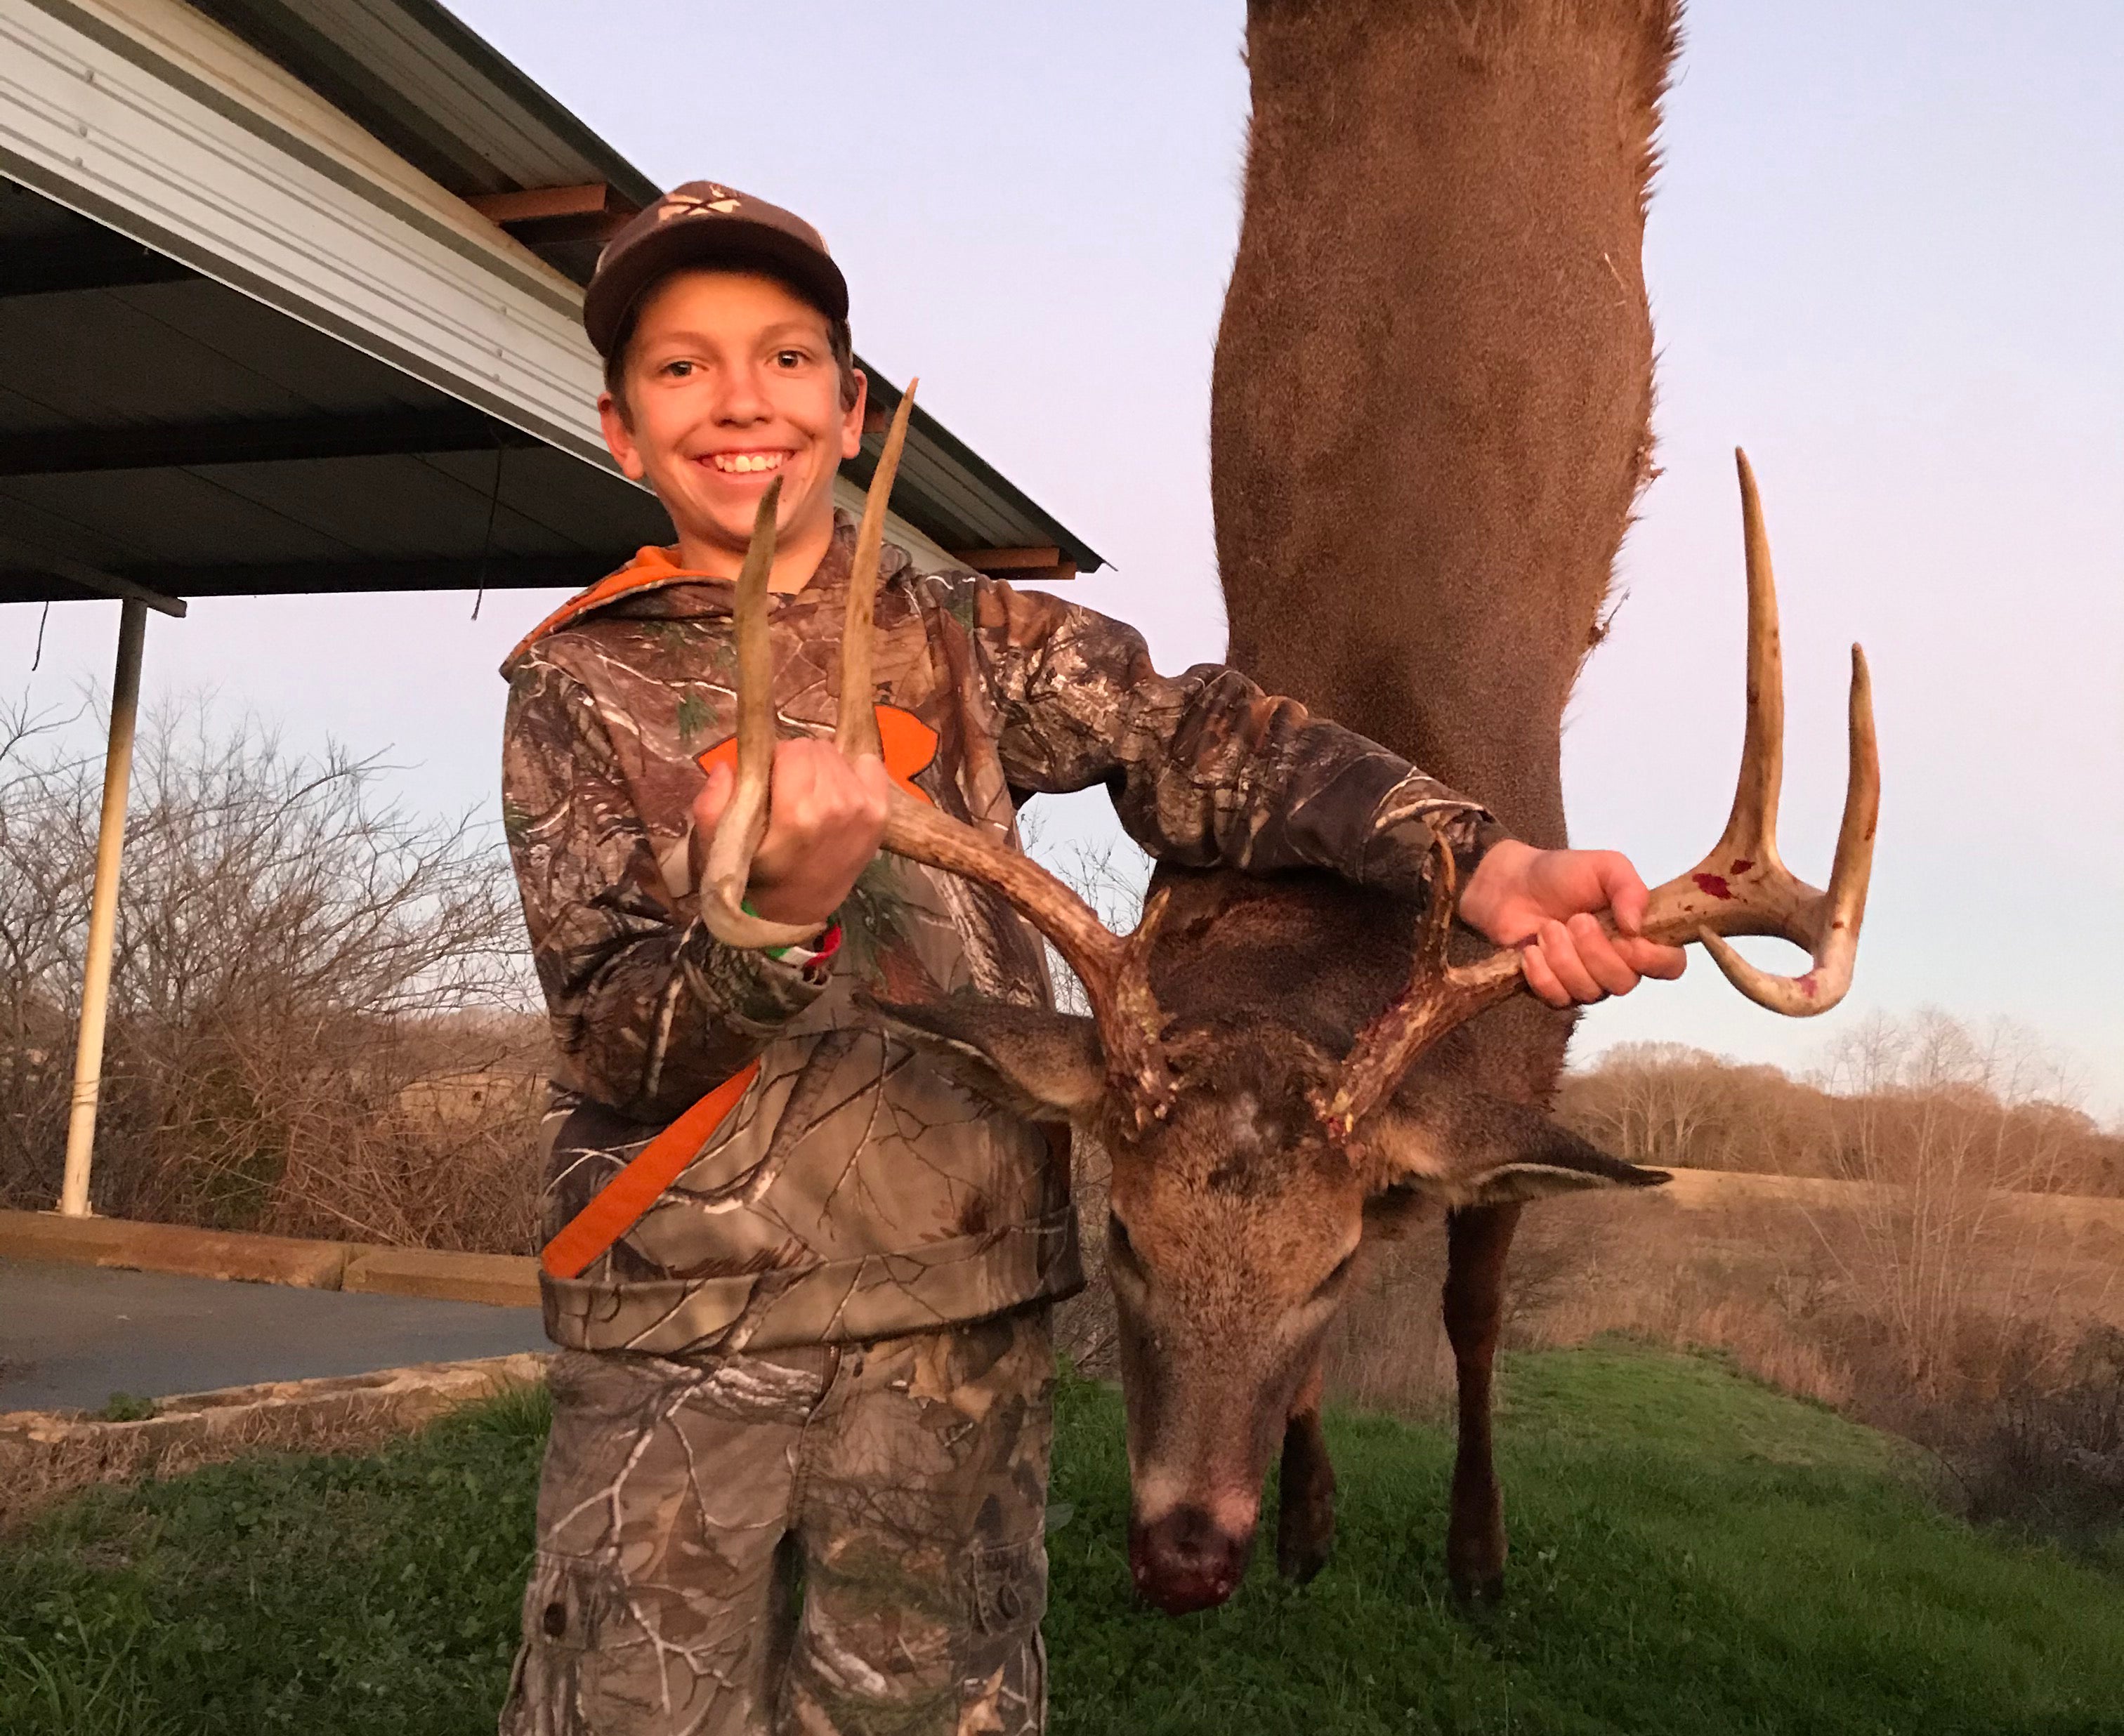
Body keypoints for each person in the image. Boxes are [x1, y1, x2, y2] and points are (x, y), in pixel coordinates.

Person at [495, 182, 1684, 1736]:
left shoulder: (977, 642)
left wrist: (1479, 861)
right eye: (681, 367)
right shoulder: (576, 688)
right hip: (685, 1333)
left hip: (962, 1334)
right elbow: (606, 1046)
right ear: (620, 428)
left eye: (786, 360)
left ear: (849, 411)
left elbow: (1203, 739)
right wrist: (760, 930)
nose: (741, 402)